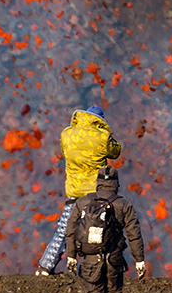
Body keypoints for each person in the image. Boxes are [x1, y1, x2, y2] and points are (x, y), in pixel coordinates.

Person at [36, 105, 122, 276]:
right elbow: (116, 152)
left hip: (74, 192)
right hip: (97, 194)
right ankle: (96, 271)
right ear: (100, 120)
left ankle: (45, 267)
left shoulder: (67, 134)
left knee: (65, 229)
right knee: (101, 229)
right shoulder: (103, 137)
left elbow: (64, 152)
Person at [65, 166, 146, 293]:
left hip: (89, 258)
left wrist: (71, 255)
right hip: (113, 259)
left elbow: (70, 230)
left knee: (93, 290)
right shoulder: (124, 204)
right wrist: (139, 260)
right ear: (116, 184)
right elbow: (134, 234)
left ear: (98, 182)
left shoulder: (82, 202)